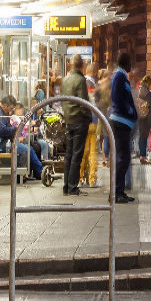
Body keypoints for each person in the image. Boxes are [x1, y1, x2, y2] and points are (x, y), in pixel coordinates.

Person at [0, 95, 42, 181]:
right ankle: (23, 175)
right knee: (26, 150)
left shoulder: (1, 111)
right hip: (0, 145)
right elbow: (1, 130)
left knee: (31, 147)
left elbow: (7, 128)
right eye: (10, 108)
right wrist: (17, 129)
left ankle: (34, 173)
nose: (10, 111)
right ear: (5, 105)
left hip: (5, 142)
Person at [108, 51, 137, 204]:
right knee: (123, 158)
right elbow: (118, 98)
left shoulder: (120, 76)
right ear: (126, 63)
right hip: (120, 121)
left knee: (123, 157)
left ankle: (119, 191)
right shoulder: (119, 76)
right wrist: (130, 110)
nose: (131, 65)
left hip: (122, 121)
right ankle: (116, 193)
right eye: (129, 62)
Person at [60, 55, 90, 196]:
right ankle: (73, 187)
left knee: (69, 154)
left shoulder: (65, 79)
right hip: (79, 120)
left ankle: (66, 186)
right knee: (77, 155)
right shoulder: (80, 80)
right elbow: (83, 102)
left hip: (68, 120)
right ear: (82, 64)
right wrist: (88, 117)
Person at [137, 75, 151, 163]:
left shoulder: (141, 88)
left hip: (141, 116)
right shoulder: (145, 91)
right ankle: (143, 156)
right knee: (143, 137)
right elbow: (149, 105)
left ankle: (142, 155)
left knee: (142, 136)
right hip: (145, 116)